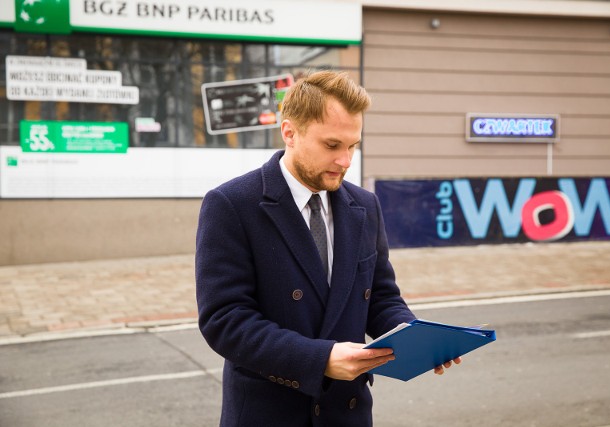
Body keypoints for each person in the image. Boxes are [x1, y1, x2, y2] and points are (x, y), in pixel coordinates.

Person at [195, 70, 460, 427]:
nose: (346, 161)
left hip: (347, 413)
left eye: (353, 146)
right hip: (268, 414)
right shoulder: (231, 204)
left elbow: (380, 295)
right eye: (332, 145)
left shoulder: (365, 206)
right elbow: (225, 320)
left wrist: (414, 336)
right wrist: (319, 359)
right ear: (290, 132)